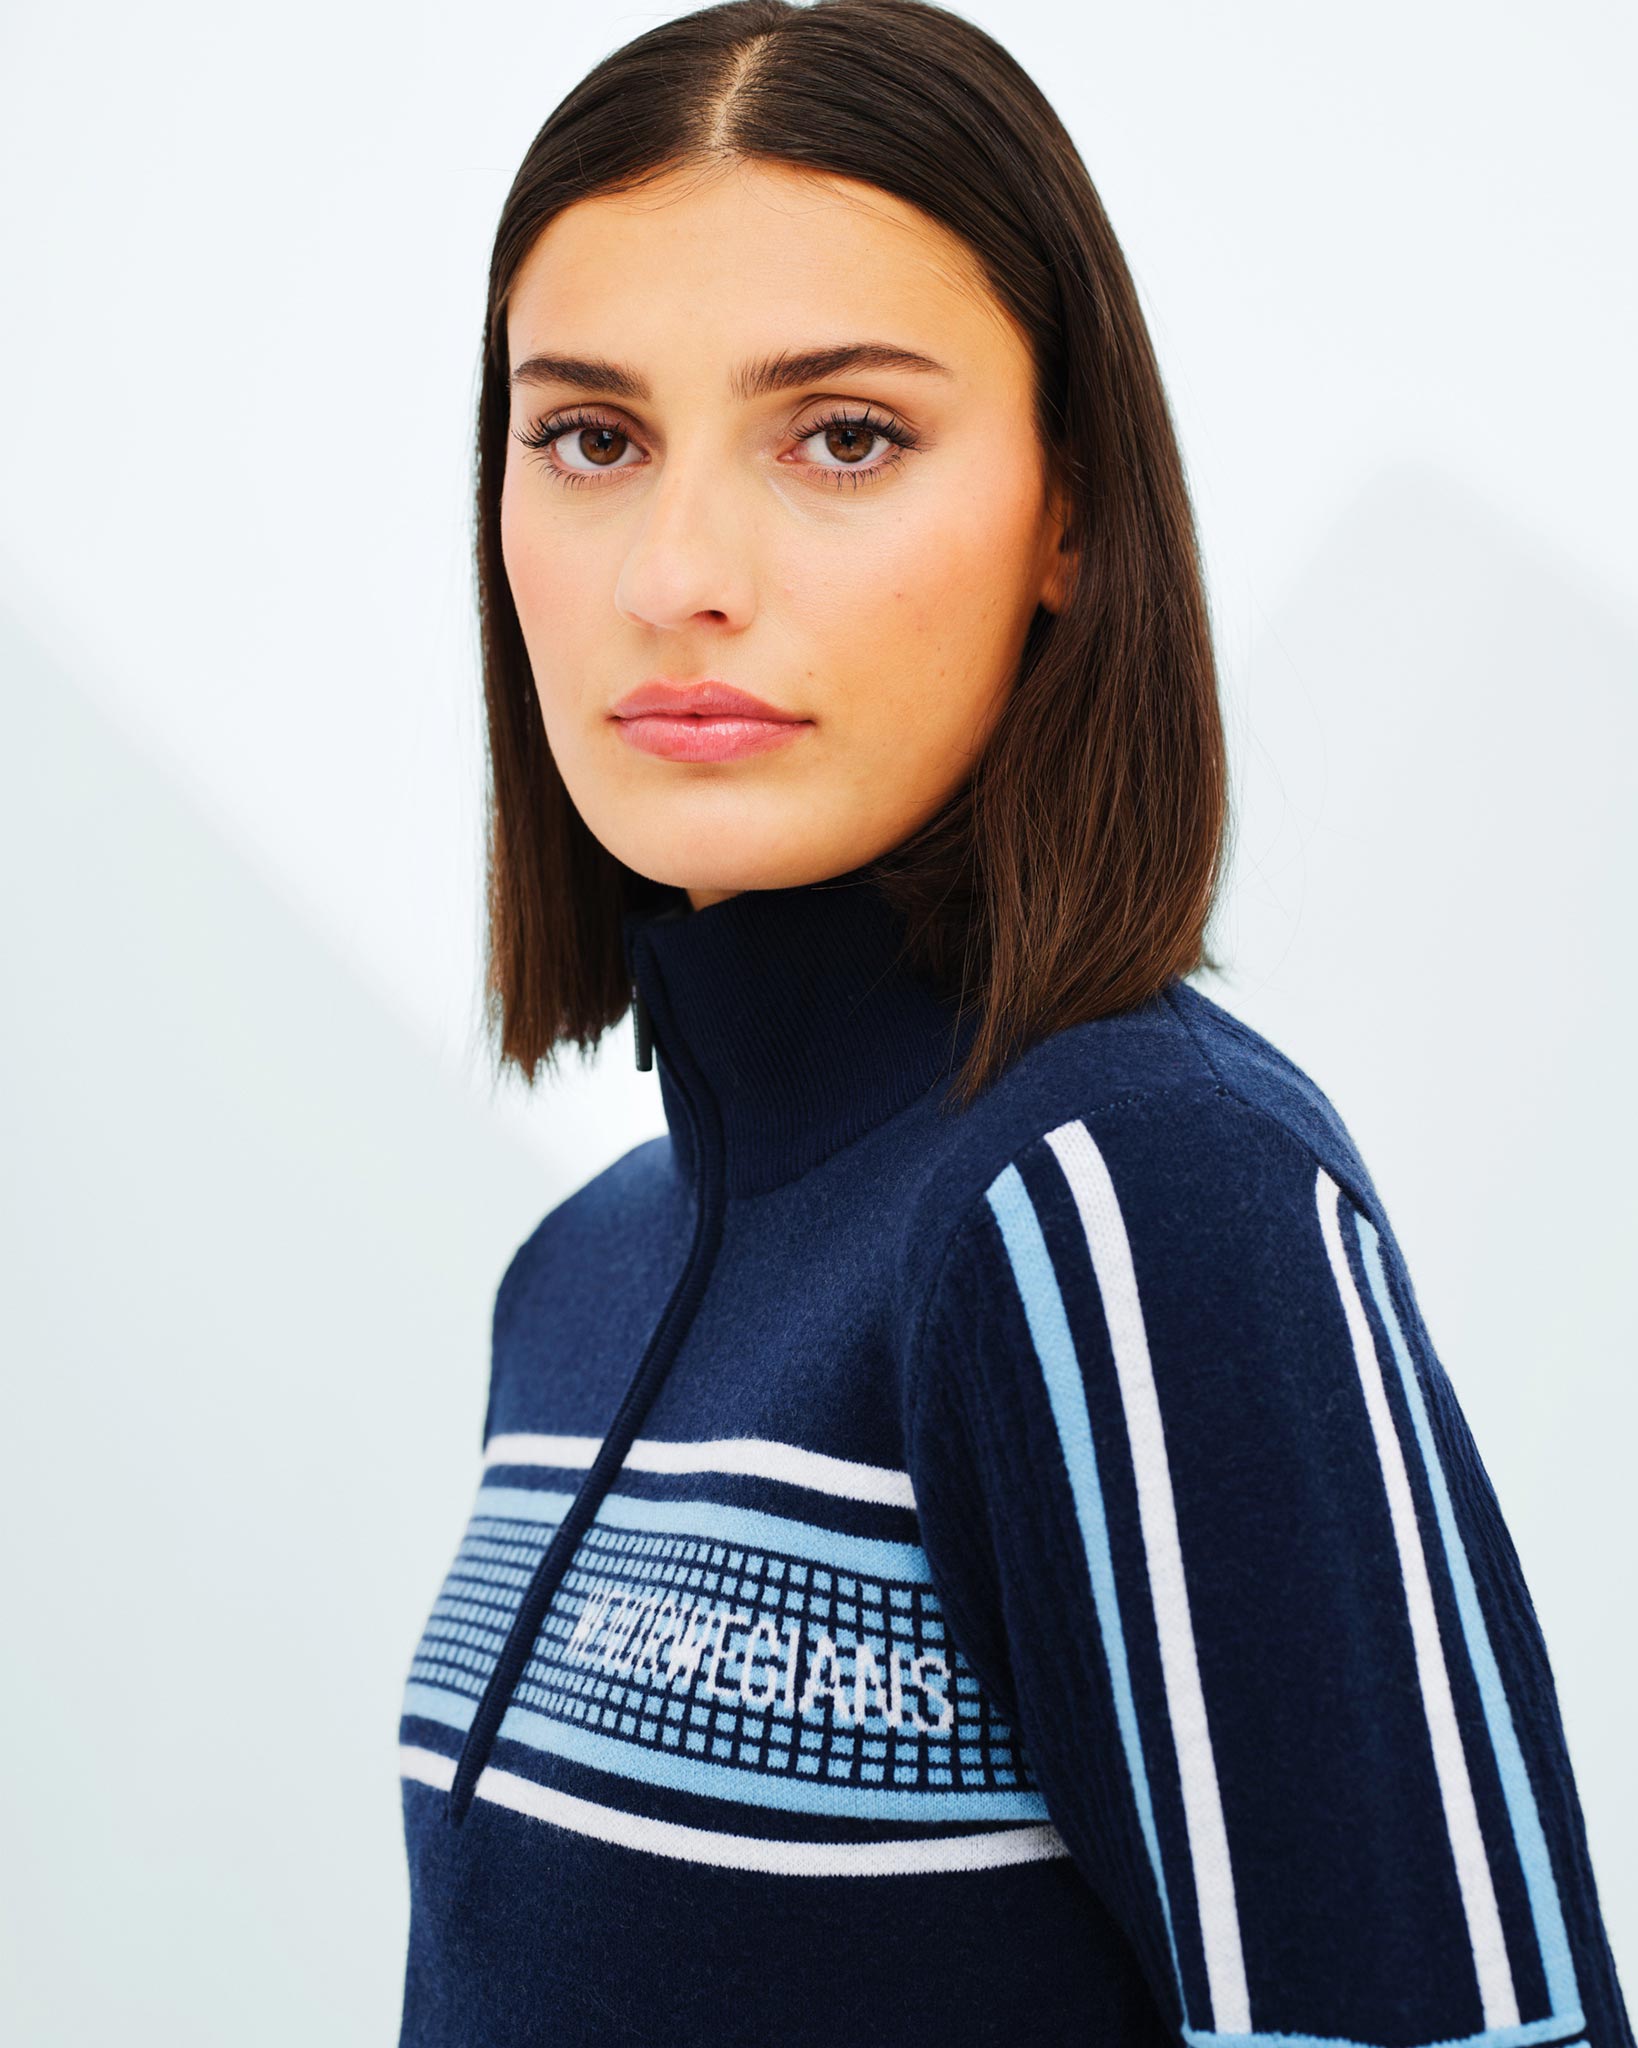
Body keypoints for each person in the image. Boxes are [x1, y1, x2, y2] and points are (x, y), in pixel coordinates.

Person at [393, 4, 1633, 2043]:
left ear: (1070, 516)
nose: (678, 571)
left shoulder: (1130, 1196)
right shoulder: (585, 1272)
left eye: (846, 435)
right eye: (591, 436)